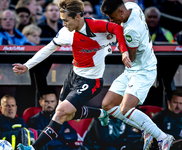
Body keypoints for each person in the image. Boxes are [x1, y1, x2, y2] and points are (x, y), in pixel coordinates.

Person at [13, 0, 131, 149]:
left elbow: (118, 29)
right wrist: (27, 65)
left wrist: (124, 51)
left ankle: (33, 148)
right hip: (73, 76)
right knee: (62, 114)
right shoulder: (66, 33)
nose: (63, 24)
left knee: (61, 112)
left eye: (65, 20)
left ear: (77, 17)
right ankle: (101, 113)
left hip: (91, 81)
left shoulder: (95, 26)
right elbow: (48, 49)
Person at [100, 0, 174, 150]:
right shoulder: (133, 7)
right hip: (133, 70)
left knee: (125, 109)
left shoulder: (131, 31)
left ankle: (163, 138)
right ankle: (147, 129)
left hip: (143, 71)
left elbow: (130, 58)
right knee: (107, 104)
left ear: (121, 11)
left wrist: (119, 48)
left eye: (112, 17)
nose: (111, 21)